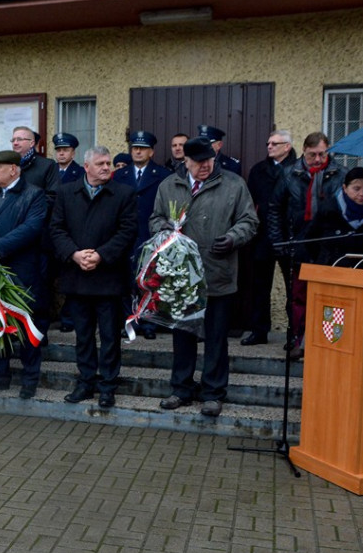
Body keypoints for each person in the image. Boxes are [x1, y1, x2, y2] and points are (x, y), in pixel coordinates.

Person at [150, 137, 258, 417]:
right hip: (182, 278)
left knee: (216, 338)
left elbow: (249, 221)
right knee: (182, 336)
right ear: (185, 161)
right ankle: (181, 389)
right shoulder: (168, 185)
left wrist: (233, 238)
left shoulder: (233, 185)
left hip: (217, 274)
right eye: (199, 163)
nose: (206, 167)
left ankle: (213, 392)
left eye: (210, 161)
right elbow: (155, 219)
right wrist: (165, 231)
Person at [50, 146, 137, 409]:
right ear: (86, 167)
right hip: (77, 277)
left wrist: (100, 255)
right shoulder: (66, 192)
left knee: (110, 336)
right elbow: (56, 229)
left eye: (108, 163)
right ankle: (85, 382)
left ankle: (108, 386)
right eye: (100, 163)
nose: (106, 168)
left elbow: (128, 231)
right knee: (83, 335)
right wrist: (75, 255)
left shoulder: (123, 193)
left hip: (108, 278)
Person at [0, 150, 48, 399]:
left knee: (25, 324)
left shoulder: (34, 194)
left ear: (14, 169)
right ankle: (0, 376)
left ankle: (29, 379)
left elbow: (31, 228)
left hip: (22, 270)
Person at [267, 132, 347, 359]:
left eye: (323, 153)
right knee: (298, 296)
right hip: (298, 242)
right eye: (313, 155)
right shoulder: (289, 173)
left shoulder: (341, 174)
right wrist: (278, 241)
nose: (318, 159)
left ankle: (329, 338)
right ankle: (296, 339)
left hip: (329, 246)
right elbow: (275, 209)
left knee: (330, 296)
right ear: (304, 151)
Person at [239, 130, 297, 346]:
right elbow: (250, 202)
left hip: (288, 235)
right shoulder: (258, 170)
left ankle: (294, 333)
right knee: (259, 285)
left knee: (293, 288)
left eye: (275, 143)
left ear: (287, 147)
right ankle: (259, 330)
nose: (269, 146)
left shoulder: (297, 170)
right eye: (268, 143)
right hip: (262, 235)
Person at [114, 130, 171, 340]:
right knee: (127, 280)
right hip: (125, 235)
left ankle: (148, 324)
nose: (137, 151)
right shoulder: (120, 175)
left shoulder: (163, 175)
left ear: (151, 151)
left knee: (151, 281)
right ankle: (129, 321)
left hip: (151, 235)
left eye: (142, 148)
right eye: (135, 148)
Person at [11, 126, 61, 198]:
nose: (15, 143)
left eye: (19, 139)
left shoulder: (47, 165)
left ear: (31, 143)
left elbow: (52, 195)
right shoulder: (8, 164)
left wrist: (31, 207)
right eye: (13, 140)